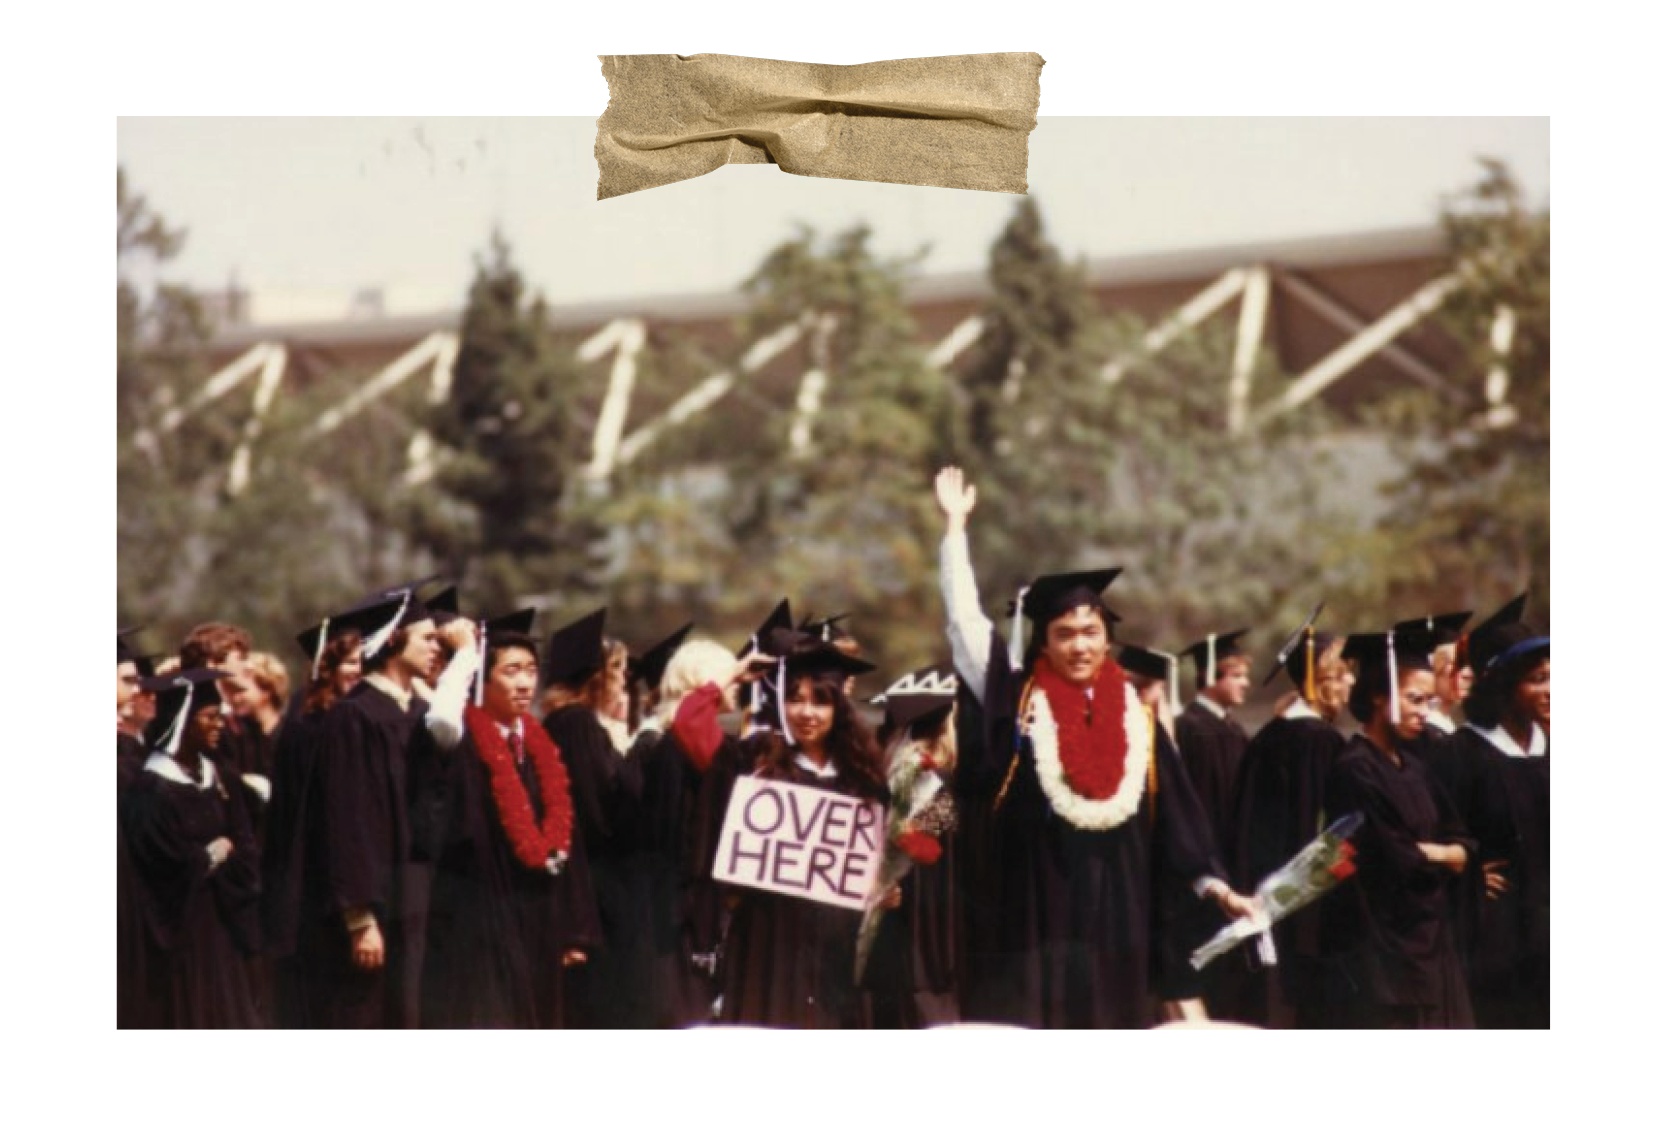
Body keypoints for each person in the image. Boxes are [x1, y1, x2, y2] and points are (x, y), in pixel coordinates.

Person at [932, 466, 1256, 1028]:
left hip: (1120, 913)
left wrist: (1216, 885)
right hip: (1039, 909)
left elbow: (1179, 814)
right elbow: (966, 627)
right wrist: (956, 530)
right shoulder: (1019, 701)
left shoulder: (1139, 717)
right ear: (1044, 641)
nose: (1080, 646)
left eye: (1091, 632)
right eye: (1065, 634)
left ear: (1109, 638)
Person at [673, 630, 885, 1028]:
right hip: (768, 941)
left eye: (820, 701)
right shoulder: (759, 761)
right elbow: (688, 724)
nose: (806, 713)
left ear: (840, 707)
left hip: (835, 946)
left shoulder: (862, 779)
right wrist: (730, 675)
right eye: (795, 698)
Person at [303, 580, 479, 1028]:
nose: (436, 649)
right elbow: (346, 821)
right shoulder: (354, 716)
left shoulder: (419, 715)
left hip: (417, 896)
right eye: (426, 639)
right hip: (375, 902)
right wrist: (360, 918)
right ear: (391, 639)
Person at [420, 610, 602, 1028]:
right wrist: (465, 652)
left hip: (537, 918)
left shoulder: (540, 746)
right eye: (511, 671)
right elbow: (441, 721)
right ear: (483, 680)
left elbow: (563, 836)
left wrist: (572, 928)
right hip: (481, 919)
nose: (524, 683)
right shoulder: (463, 741)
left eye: (531, 671)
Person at [1326, 626, 1476, 1028]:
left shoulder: (1413, 765)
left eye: (1428, 700)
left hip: (1433, 947)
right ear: (1379, 696)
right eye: (1414, 699)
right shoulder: (1355, 768)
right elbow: (1397, 861)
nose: (1424, 712)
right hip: (1385, 956)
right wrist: (1444, 854)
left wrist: (1437, 851)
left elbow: (1463, 842)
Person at [1222, 610, 1356, 1028]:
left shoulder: (1268, 735)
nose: (1351, 681)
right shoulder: (1322, 743)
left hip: (1265, 901)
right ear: (1319, 680)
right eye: (1343, 673)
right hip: (1308, 915)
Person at [261, 600, 383, 1028]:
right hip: (317, 882)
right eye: (349, 661)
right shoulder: (317, 721)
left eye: (364, 661)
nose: (357, 670)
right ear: (326, 665)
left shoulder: (312, 714)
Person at [119, 668, 264, 1028]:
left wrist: (215, 855)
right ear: (181, 721)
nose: (219, 724)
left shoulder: (218, 776)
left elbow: (245, 845)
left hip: (225, 932)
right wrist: (211, 854)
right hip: (182, 944)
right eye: (210, 716)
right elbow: (160, 874)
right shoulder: (149, 790)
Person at [1431, 595, 1550, 1028]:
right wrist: (1469, 870)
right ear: (1501, 685)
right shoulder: (1460, 754)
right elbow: (1438, 835)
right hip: (1498, 940)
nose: (1551, 690)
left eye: (1554, 677)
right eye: (1537, 680)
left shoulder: (1553, 747)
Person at [617, 634, 737, 1027]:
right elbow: (672, 839)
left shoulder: (681, 746)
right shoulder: (667, 750)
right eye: (727, 677)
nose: (737, 683)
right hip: (673, 915)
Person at [540, 608, 637, 1027]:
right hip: (593, 881)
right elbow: (599, 806)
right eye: (618, 670)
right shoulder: (578, 725)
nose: (624, 681)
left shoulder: (564, 722)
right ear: (596, 676)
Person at [858, 664, 962, 1029]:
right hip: (919, 913)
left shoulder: (898, 767)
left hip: (903, 910)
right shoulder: (922, 773)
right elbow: (921, 842)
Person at [1174, 628, 1253, 850]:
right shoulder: (1188, 727)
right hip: (1201, 850)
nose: (1246, 683)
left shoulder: (1235, 729)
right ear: (1210, 675)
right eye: (1237, 676)